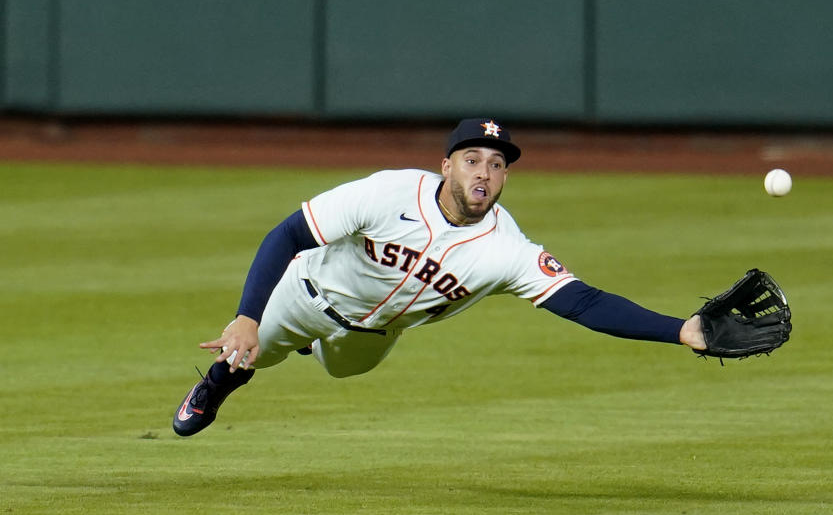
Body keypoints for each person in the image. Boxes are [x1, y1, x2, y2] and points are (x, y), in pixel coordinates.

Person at [173, 118, 706, 436]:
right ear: (446, 166)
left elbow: (583, 302)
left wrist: (680, 329)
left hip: (373, 335)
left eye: (496, 164)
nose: (483, 172)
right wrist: (247, 315)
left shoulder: (506, 248)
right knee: (247, 352)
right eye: (471, 159)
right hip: (306, 292)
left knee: (342, 370)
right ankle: (213, 388)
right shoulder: (388, 192)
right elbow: (287, 235)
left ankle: (310, 348)